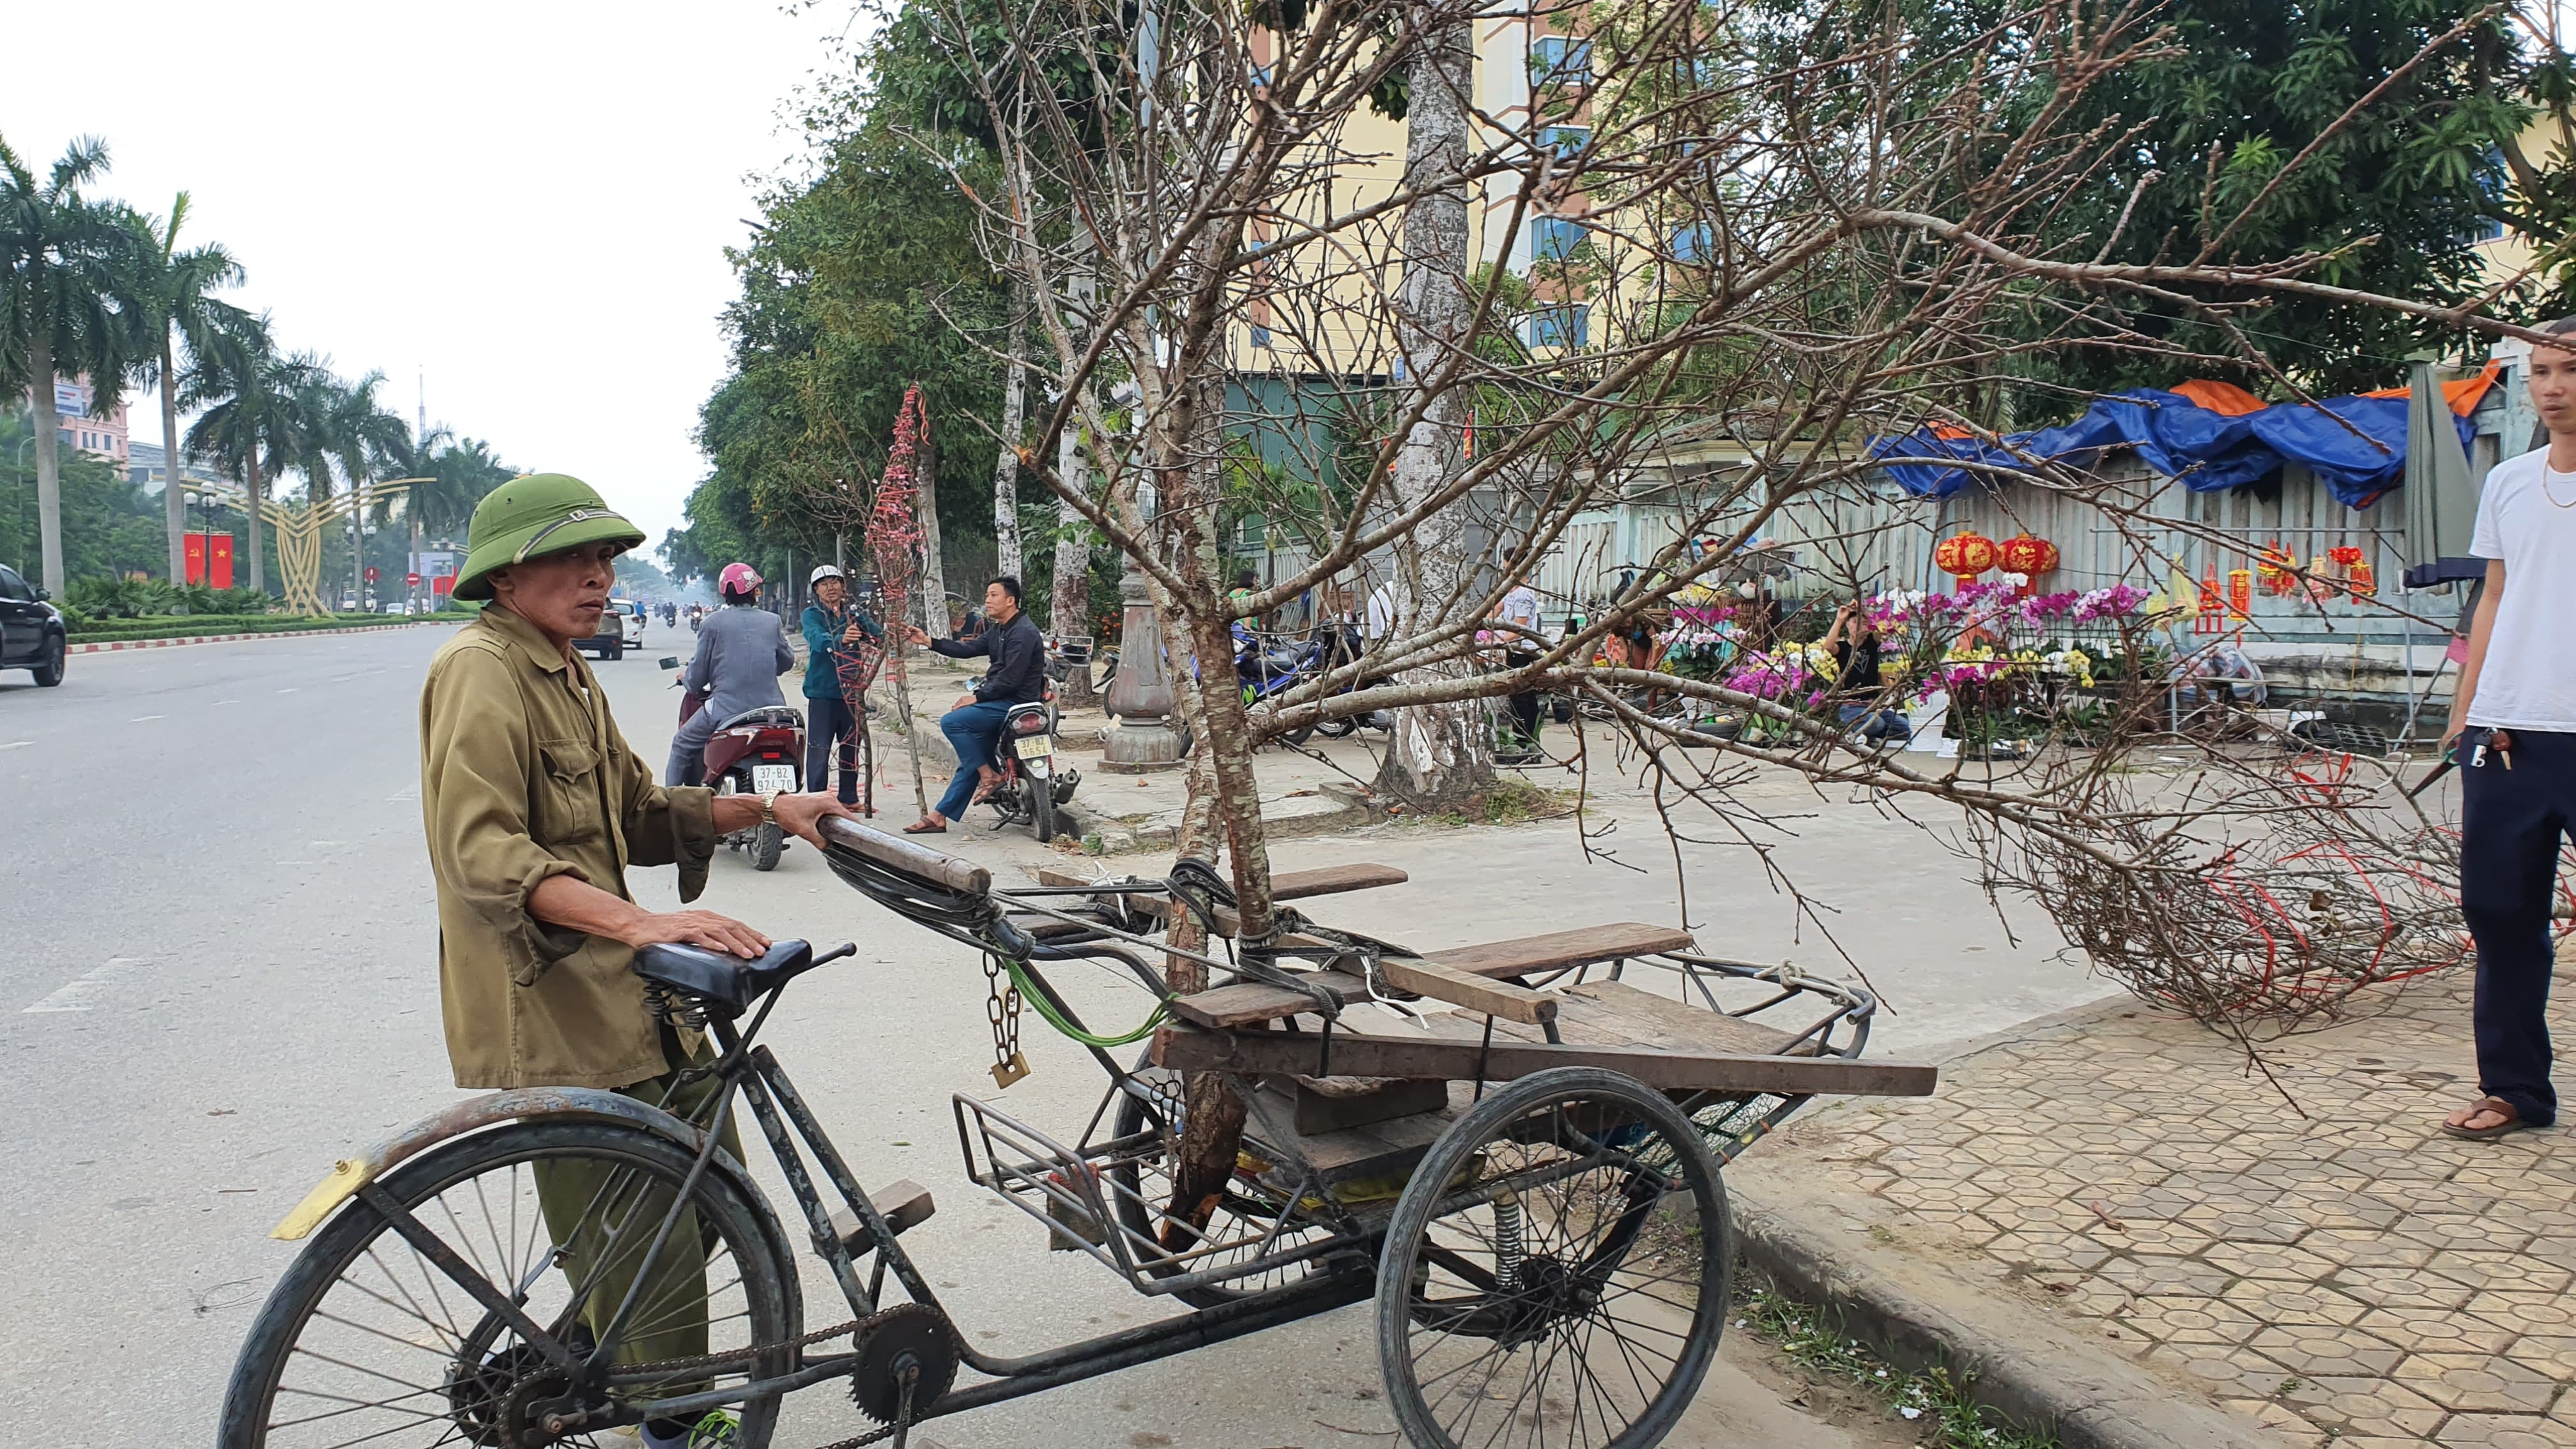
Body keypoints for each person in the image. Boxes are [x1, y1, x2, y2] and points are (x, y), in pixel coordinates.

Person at [420, 474, 854, 1449]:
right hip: (553, 1008)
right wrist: (643, 925)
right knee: (642, 1226)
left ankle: (601, 1356)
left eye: (607, 560)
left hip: (626, 998)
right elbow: (482, 852)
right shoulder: (480, 669)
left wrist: (769, 809)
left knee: (709, 1193)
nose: (599, 578)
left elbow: (640, 812)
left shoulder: (566, 671)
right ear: (505, 575)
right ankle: (671, 1419)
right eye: (574, 559)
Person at [2439, 316, 2576, 1141]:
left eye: (2569, 370)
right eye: (2543, 372)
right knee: (2499, 910)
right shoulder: (2512, 482)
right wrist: (2468, 711)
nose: (2555, 387)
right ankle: (2515, 1090)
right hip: (2510, 730)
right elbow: (2493, 595)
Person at [899, 576, 1048, 833]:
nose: (987, 601)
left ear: (1010, 601)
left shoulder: (1023, 632)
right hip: (1001, 701)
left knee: (952, 722)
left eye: (993, 595)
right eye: (988, 595)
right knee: (976, 757)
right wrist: (929, 642)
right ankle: (939, 815)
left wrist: (977, 697)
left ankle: (988, 776)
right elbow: (967, 650)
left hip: (1014, 704)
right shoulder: (1000, 629)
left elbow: (1011, 679)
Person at [664, 563, 795, 787]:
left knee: (681, 745)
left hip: (725, 709)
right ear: (754, 591)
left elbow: (697, 679)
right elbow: (787, 661)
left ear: (724, 592)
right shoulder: (772, 621)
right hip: (770, 711)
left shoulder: (712, 623)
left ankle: (668, 809)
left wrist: (686, 679)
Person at [801, 564, 882, 806]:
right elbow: (817, 639)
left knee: (851, 745)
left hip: (852, 691)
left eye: (835, 582)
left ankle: (848, 797)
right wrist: (840, 639)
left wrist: (883, 633)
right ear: (816, 590)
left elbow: (877, 635)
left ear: (844, 586)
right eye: (824, 584)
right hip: (823, 692)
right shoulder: (812, 615)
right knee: (820, 748)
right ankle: (817, 799)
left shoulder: (853, 613)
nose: (830, 588)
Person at [1823, 599, 1908, 742]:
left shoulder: (1871, 642)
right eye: (1855, 622)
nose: (1859, 626)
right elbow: (1829, 646)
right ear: (1848, 624)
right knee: (1877, 724)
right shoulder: (1843, 647)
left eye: (1863, 623)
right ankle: (1850, 729)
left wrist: (1864, 610)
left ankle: (1866, 735)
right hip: (1852, 706)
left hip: (1874, 705)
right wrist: (1839, 619)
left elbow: (1883, 628)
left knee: (1904, 729)